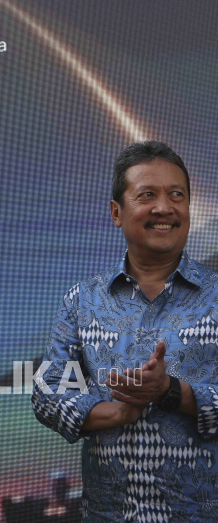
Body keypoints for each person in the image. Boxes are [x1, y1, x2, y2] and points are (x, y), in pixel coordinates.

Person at [32, 141, 218, 521]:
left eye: (176, 195)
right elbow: (47, 392)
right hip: (109, 514)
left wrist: (172, 393)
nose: (164, 207)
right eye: (147, 195)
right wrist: (116, 412)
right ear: (116, 212)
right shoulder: (81, 300)